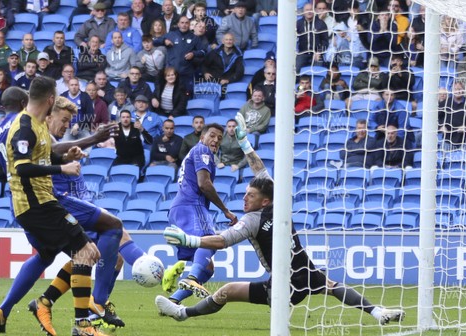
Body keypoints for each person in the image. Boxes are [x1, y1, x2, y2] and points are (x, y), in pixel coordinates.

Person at [156, 120, 405, 325]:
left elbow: (222, 241)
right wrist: (245, 144)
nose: (244, 198)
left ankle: (377, 312)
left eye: (250, 196)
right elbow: (258, 172)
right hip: (291, 276)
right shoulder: (269, 206)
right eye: (244, 194)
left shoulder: (256, 217)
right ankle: (181, 312)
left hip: (292, 278)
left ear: (264, 201)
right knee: (231, 290)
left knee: (331, 286)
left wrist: (191, 240)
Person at [0, 77, 114, 336]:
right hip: (37, 204)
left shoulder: (36, 125)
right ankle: (80, 323)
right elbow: (21, 167)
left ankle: (29, 307)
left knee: (67, 254)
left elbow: (44, 156)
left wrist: (66, 156)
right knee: (87, 250)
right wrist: (62, 168)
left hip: (40, 203)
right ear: (51, 99)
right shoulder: (23, 126)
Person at [160, 122, 237, 303]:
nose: (216, 140)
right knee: (210, 241)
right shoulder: (202, 150)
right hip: (192, 205)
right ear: (202, 137)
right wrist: (225, 210)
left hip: (179, 207)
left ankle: (173, 301)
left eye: (219, 138)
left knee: (207, 267)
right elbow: (204, 184)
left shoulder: (195, 152)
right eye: (212, 135)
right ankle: (192, 279)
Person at [154, 15, 206, 94]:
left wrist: (193, 53)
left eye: (186, 23)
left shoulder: (194, 37)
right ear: (178, 24)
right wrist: (164, 41)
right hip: (171, 73)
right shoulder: (171, 35)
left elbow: (203, 51)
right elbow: (155, 42)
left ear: (189, 25)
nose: (184, 25)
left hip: (186, 73)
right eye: (182, 23)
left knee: (186, 96)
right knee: (170, 95)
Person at [295, 2, 328, 72]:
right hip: (302, 53)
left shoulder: (321, 24)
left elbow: (325, 42)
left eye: (311, 9)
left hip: (317, 53)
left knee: (317, 71)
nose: (309, 12)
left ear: (314, 11)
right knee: (296, 69)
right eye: (307, 10)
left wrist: (319, 52)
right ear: (303, 12)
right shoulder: (298, 24)